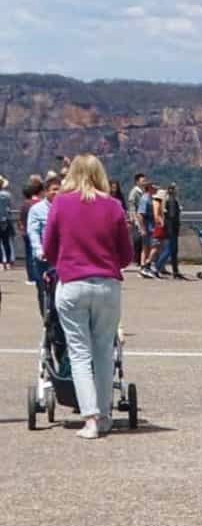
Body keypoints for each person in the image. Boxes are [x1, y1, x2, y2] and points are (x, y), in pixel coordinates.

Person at [43, 154, 134, 439]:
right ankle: (105, 415)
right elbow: (127, 255)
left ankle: (91, 418)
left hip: (71, 283)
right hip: (107, 284)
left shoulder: (60, 203)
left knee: (79, 353)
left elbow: (48, 248)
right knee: (104, 351)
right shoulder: (113, 206)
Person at [27, 176, 61, 317]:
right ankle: (47, 322)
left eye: (59, 190)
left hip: (62, 257)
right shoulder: (37, 210)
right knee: (44, 291)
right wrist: (39, 250)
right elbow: (33, 232)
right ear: (46, 192)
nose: (57, 193)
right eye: (54, 190)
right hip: (44, 260)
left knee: (61, 292)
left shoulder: (65, 208)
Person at [155, 183, 184, 279]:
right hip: (172, 228)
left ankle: (175, 270)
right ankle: (157, 268)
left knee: (172, 250)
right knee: (171, 249)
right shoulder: (171, 201)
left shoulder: (167, 200)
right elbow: (172, 216)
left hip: (169, 227)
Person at [19, 178, 43, 286]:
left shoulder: (24, 204)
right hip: (36, 232)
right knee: (36, 255)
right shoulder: (39, 204)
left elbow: (21, 219)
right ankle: (38, 275)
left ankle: (31, 277)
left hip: (25, 232)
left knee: (28, 255)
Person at [127, 173, 146, 266]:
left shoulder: (143, 191)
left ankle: (140, 259)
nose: (144, 182)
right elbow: (132, 205)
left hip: (143, 217)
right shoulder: (134, 192)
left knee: (142, 239)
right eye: (142, 181)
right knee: (137, 239)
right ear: (137, 182)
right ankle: (136, 259)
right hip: (137, 218)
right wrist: (133, 218)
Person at [0, 176, 14, 271]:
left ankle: (0, 262)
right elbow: (9, 207)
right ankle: (8, 262)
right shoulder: (7, 195)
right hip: (6, 220)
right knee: (6, 242)